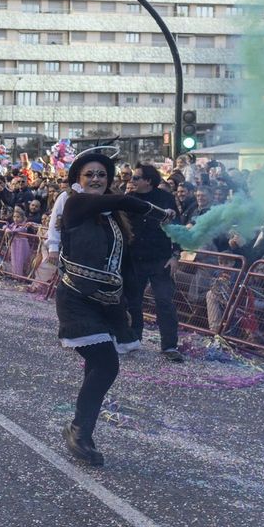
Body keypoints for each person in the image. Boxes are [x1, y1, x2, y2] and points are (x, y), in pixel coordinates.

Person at [54, 151, 177, 467]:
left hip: (109, 303)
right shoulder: (75, 204)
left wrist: (132, 311)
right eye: (89, 174)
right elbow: (123, 201)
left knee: (97, 366)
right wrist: (155, 209)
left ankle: (81, 430)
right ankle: (79, 430)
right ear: (78, 180)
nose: (96, 179)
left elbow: (125, 267)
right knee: (106, 364)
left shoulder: (114, 217)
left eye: (102, 175)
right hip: (77, 299)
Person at [120, 163, 182, 361]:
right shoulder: (129, 199)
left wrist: (175, 255)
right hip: (134, 259)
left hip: (160, 259)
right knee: (133, 302)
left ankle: (170, 346)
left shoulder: (166, 199)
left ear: (148, 180)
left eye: (136, 178)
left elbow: (177, 229)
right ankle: (133, 339)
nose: (132, 181)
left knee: (164, 301)